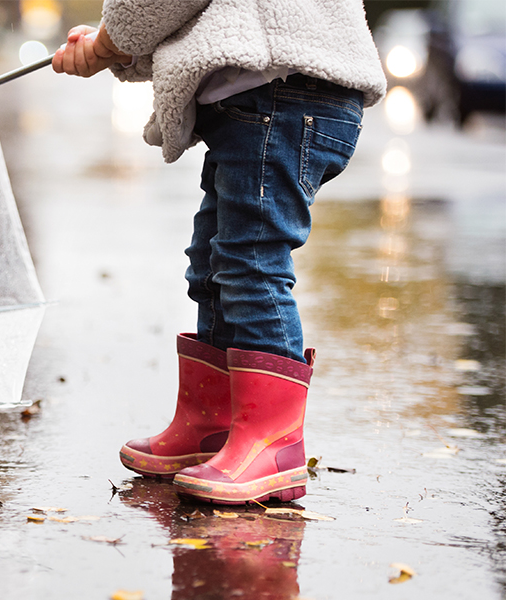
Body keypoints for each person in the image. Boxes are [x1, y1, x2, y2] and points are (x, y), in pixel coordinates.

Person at [52, 0, 386, 504]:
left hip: (282, 94)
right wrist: (111, 44)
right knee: (212, 263)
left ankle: (272, 445)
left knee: (251, 262)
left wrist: (107, 44)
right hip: (266, 94)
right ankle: (212, 428)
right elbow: (212, 20)